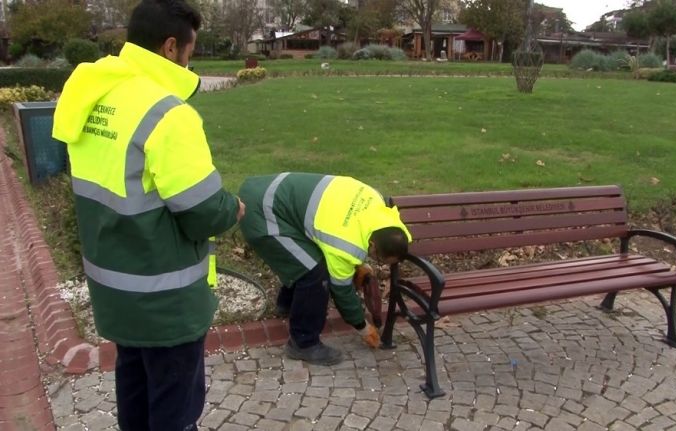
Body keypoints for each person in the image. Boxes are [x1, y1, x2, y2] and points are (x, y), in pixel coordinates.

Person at [52, 0, 244, 429]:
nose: (190, 62)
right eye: (191, 52)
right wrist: (233, 207)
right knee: (176, 411)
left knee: (134, 392)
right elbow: (203, 211)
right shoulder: (168, 113)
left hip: (114, 289)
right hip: (165, 299)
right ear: (171, 47)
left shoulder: (93, 93)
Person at [238, 172, 412, 365]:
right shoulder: (345, 245)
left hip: (267, 188)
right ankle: (303, 343)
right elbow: (342, 291)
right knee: (314, 273)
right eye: (378, 257)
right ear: (371, 245)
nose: (378, 263)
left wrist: (358, 265)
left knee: (306, 258)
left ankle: (287, 304)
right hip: (260, 212)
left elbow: (343, 227)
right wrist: (363, 327)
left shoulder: (376, 202)